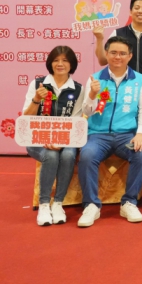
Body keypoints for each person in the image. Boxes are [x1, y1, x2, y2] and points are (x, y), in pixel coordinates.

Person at [94, 0, 142, 188]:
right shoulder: (118, 33)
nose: (140, 11)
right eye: (137, 7)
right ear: (130, 11)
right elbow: (102, 60)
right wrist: (99, 39)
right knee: (125, 124)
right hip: (120, 87)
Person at [77, 36, 142, 227]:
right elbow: (87, 111)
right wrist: (92, 95)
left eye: (122, 53)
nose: (118, 57)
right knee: (87, 155)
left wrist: (140, 133)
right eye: (113, 52)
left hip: (127, 135)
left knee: (141, 154)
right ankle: (91, 205)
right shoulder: (95, 78)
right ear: (106, 54)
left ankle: (129, 202)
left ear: (130, 56)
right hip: (98, 134)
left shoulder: (140, 80)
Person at [22, 46, 85, 226]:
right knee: (50, 155)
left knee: (68, 154)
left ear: (72, 64)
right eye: (56, 60)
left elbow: (75, 122)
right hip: (37, 138)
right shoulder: (37, 85)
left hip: (66, 139)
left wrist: (60, 140)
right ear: (50, 63)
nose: (60, 64)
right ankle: (44, 204)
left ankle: (58, 203)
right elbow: (27, 118)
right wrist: (36, 99)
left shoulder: (78, 89)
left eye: (65, 60)